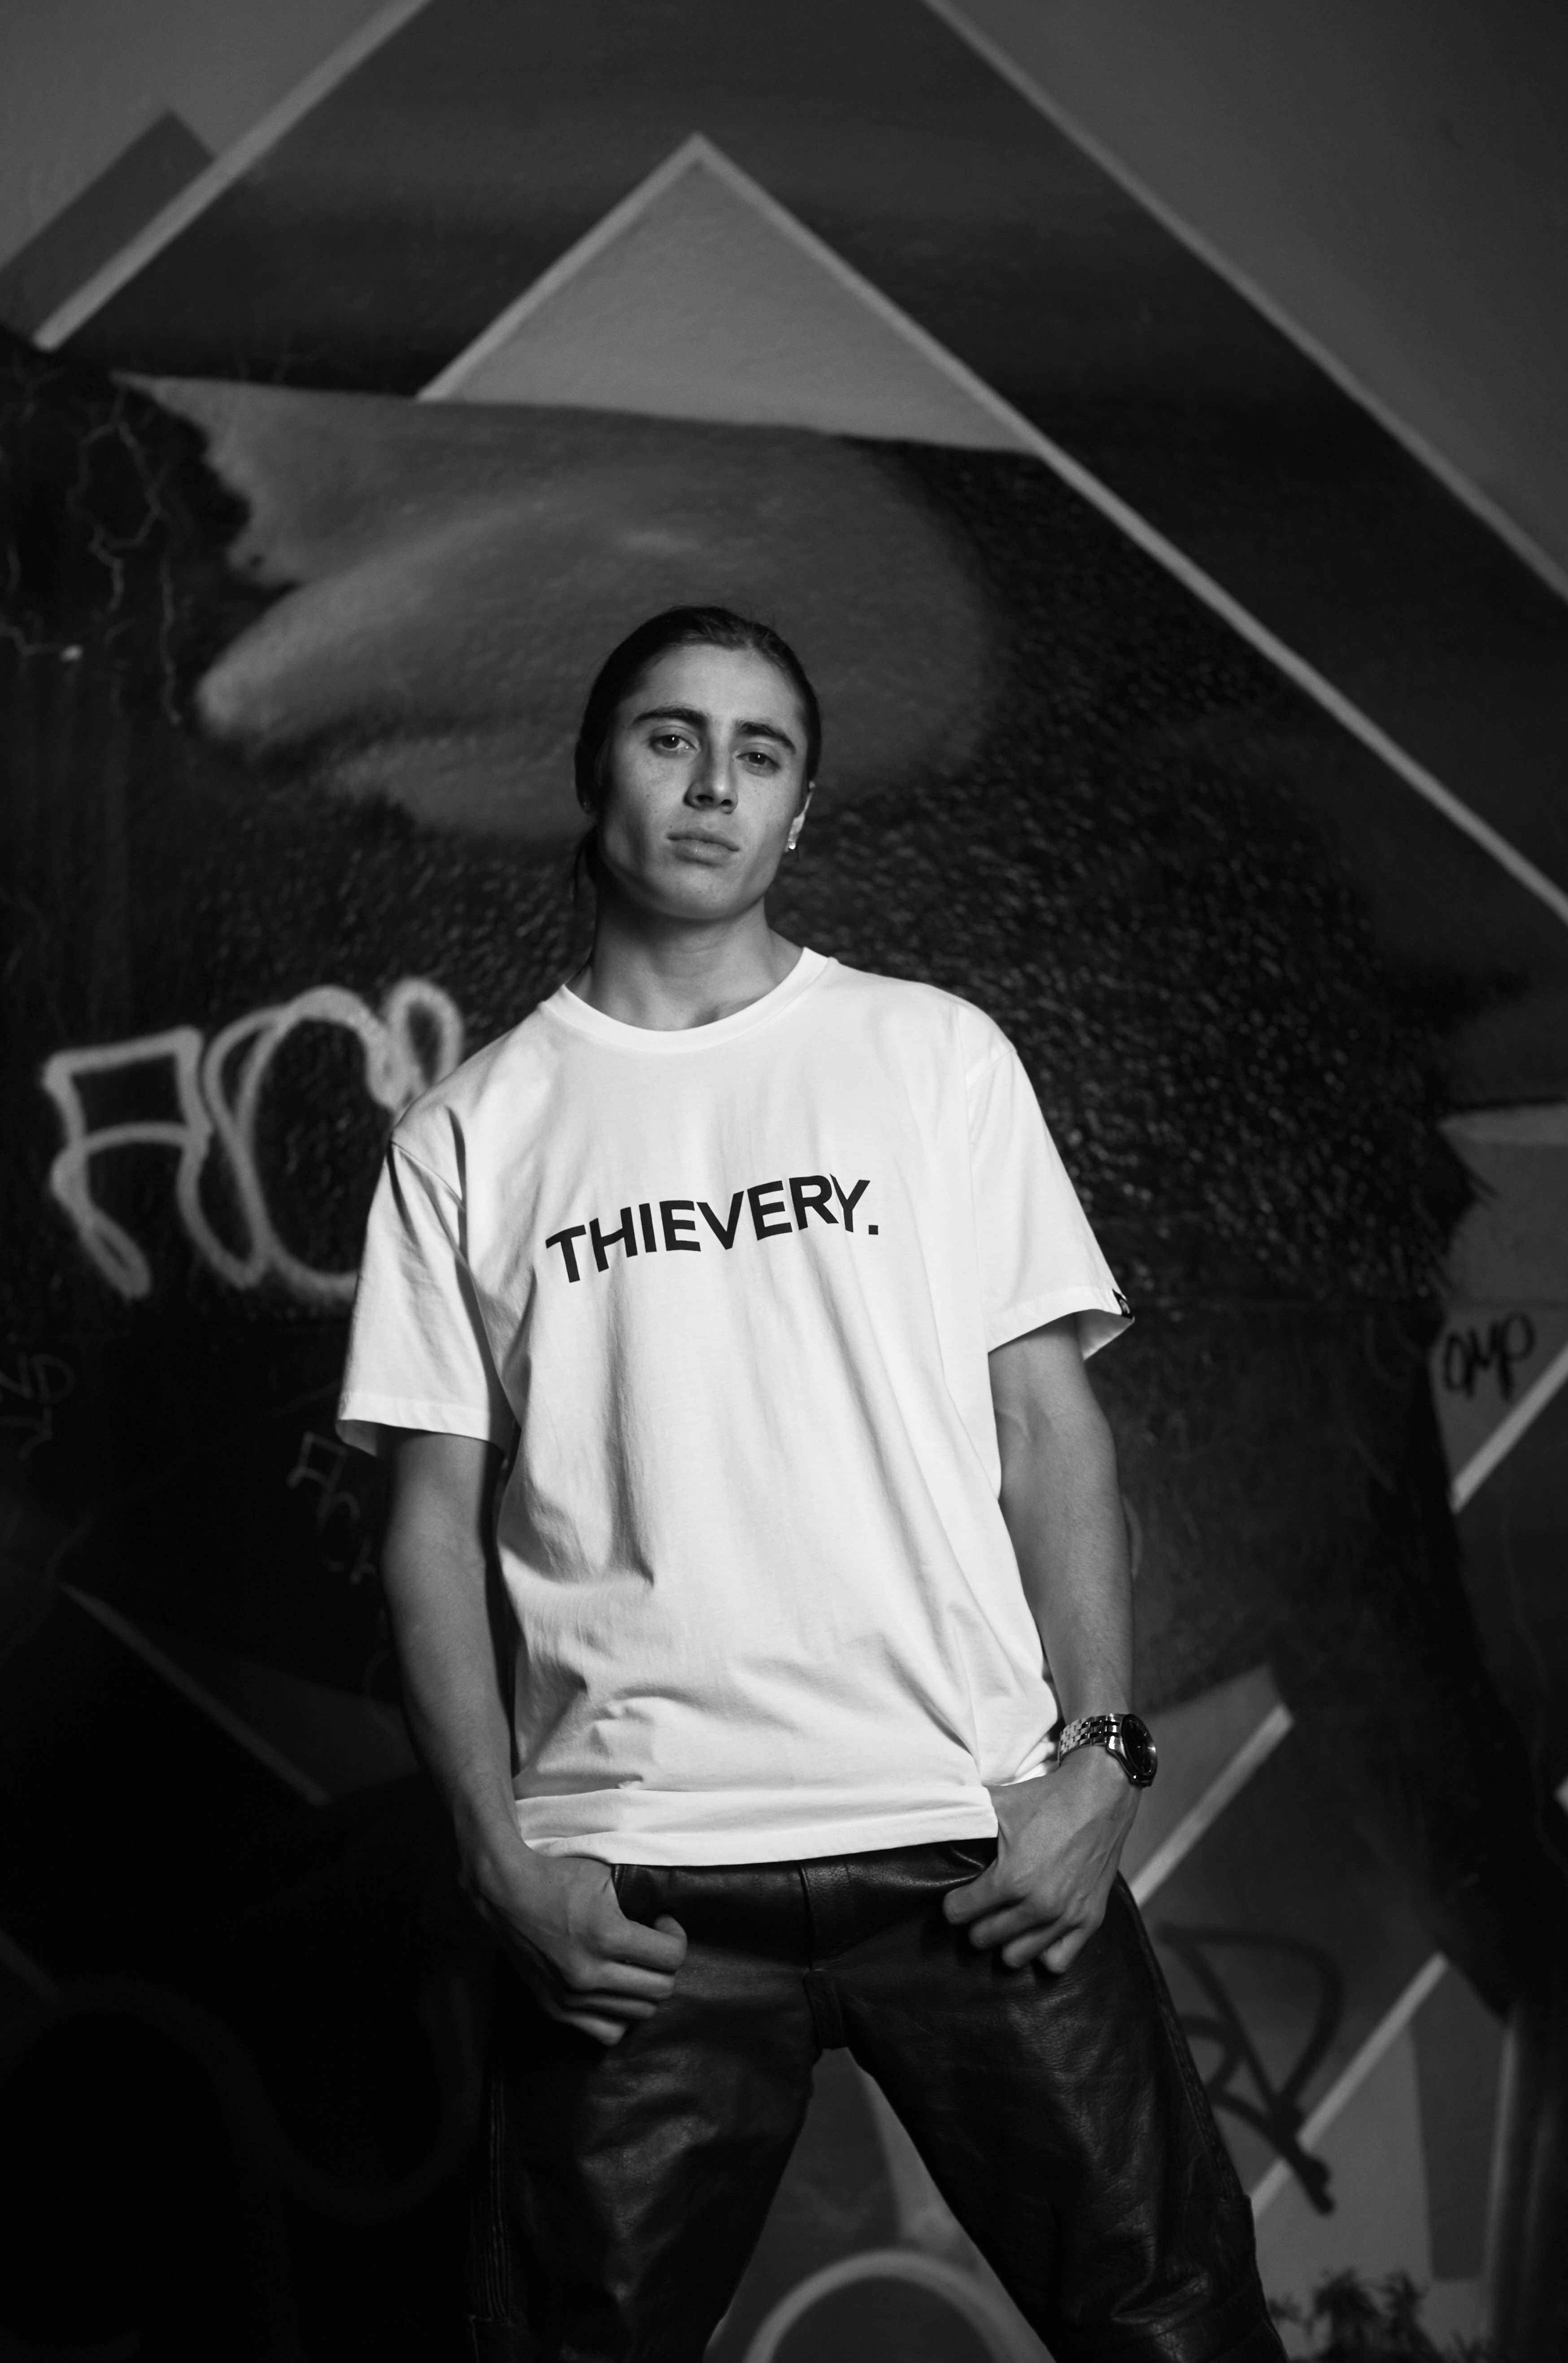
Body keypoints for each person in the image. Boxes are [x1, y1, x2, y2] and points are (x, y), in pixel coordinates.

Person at [338, 607, 1284, 2363]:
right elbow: (426, 1533)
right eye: (671, 737)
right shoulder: (469, 1131)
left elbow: (1047, 1427)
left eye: (758, 751)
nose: (714, 782)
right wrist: (497, 1860)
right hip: (640, 1889)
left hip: (970, 1839)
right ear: (594, 772)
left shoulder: (931, 1057)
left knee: (1180, 2331)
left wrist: (1101, 1758)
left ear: (799, 815)